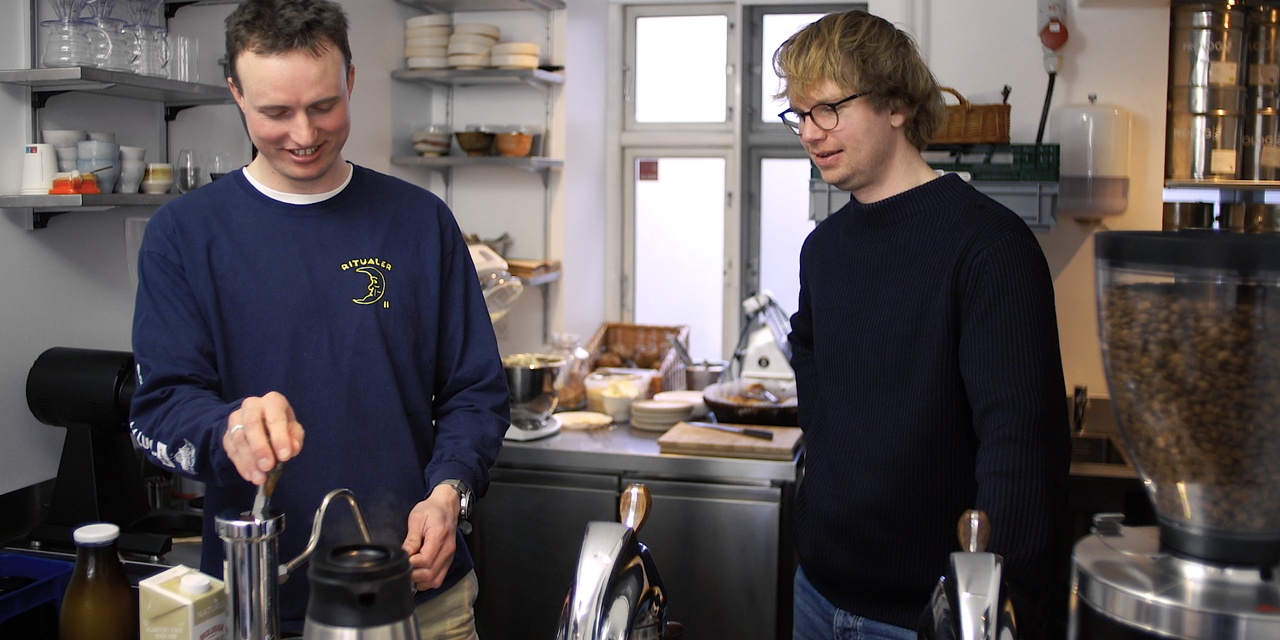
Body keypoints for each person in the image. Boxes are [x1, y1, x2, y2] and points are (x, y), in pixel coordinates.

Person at [128, 0, 510, 637]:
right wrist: (227, 430)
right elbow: (159, 407)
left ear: (351, 81)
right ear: (236, 94)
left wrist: (451, 493)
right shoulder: (185, 235)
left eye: (324, 106)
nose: (303, 133)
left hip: (420, 600)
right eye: (275, 112)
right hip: (259, 605)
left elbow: (477, 392)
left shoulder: (419, 222)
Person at [773, 10, 1070, 640]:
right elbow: (823, 413)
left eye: (827, 108)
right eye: (798, 114)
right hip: (817, 593)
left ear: (896, 105)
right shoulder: (822, 251)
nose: (809, 132)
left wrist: (996, 612)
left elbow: (1020, 448)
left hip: (932, 617)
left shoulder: (990, 246)